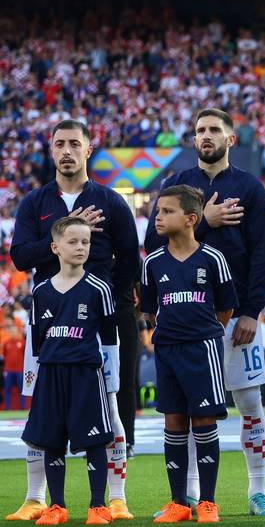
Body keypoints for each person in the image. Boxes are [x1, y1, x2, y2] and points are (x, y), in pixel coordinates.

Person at [144, 109, 265, 517]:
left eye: (214, 130)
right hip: (188, 318)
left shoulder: (250, 188)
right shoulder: (176, 184)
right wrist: (206, 221)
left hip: (237, 317)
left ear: (230, 139)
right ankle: (186, 495)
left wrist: (252, 310)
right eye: (200, 130)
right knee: (183, 408)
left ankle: (258, 491)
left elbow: (261, 252)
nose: (206, 136)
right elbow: (154, 241)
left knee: (250, 402)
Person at [8, 120, 139, 522]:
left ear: (88, 149)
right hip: (46, 322)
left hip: (100, 324)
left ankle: (115, 497)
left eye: (74, 144)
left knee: (112, 408)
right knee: (40, 410)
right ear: (51, 149)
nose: (67, 150)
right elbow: (20, 257)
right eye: (60, 143)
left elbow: (130, 259)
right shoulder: (34, 202)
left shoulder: (112, 201)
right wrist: (63, 233)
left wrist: (105, 301)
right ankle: (36, 497)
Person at [142, 185, 238, 524]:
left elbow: (226, 308)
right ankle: (178, 502)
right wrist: (171, 332)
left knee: (204, 420)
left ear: (190, 219)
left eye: (167, 211)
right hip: (167, 349)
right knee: (173, 421)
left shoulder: (213, 258)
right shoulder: (152, 262)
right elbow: (151, 310)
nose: (159, 216)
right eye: (158, 211)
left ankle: (208, 502)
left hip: (204, 347)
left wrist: (204, 331)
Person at [21, 217, 118, 526]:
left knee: (94, 440)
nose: (80, 247)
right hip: (51, 373)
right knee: (51, 440)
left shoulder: (99, 288)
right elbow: (38, 341)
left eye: (85, 242)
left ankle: (98, 506)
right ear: (55, 248)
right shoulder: (41, 292)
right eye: (73, 242)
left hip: (86, 373)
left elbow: (109, 335)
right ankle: (57, 506)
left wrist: (107, 372)